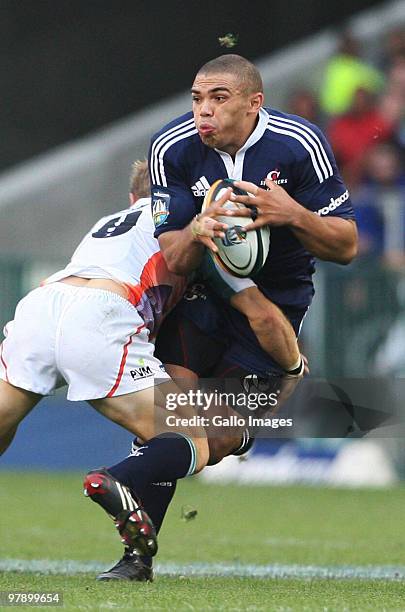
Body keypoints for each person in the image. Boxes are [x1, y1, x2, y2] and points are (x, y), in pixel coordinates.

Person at [98, 53, 358, 581]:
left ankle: (131, 477)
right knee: (172, 413)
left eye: (219, 99)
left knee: (216, 439)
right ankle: (135, 556)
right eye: (197, 98)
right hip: (201, 294)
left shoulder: (299, 145)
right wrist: (199, 228)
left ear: (253, 103)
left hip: (276, 302)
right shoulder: (171, 147)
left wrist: (294, 215)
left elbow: (348, 245)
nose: (204, 111)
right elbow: (173, 256)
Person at [0, 159, 225, 560]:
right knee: (193, 440)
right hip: (101, 313)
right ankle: (115, 479)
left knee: (3, 420)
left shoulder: (109, 220)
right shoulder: (178, 216)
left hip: (43, 303)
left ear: (131, 197)